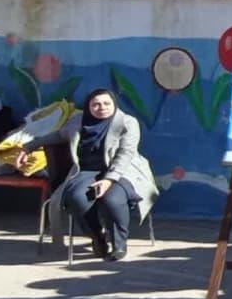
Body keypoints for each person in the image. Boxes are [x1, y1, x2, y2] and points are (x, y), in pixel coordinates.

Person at [17, 89, 157, 262]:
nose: (102, 107)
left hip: (122, 171)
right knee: (77, 198)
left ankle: (119, 244)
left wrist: (108, 180)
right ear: (88, 107)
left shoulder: (127, 122)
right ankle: (97, 237)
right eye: (96, 104)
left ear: (114, 104)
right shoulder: (78, 121)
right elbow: (59, 135)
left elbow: (125, 154)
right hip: (87, 171)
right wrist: (28, 147)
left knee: (112, 199)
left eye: (106, 103)